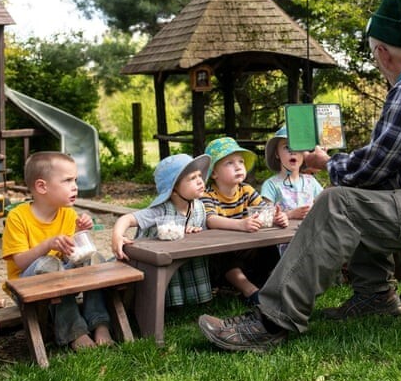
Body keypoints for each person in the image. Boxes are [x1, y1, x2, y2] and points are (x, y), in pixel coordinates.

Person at [197, 0, 401, 352]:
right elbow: (382, 168)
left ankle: (270, 320)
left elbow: (372, 167)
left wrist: (326, 163)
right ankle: (374, 297)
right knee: (361, 194)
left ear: (381, 52)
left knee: (337, 202)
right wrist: (344, 167)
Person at [2, 152, 113, 351]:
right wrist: (47, 245)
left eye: (75, 180)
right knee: (47, 264)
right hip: (25, 283)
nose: (75, 186)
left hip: (61, 276)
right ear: (42, 186)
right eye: (67, 180)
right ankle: (75, 332)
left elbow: (67, 256)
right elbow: (19, 263)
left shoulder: (68, 214)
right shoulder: (17, 217)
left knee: (94, 257)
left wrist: (80, 235)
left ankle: (99, 323)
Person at [111, 153, 213, 308]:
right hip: (150, 261)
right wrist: (117, 236)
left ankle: (192, 301)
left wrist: (192, 231)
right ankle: (166, 303)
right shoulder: (160, 210)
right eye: (192, 178)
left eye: (199, 175)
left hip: (182, 257)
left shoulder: (199, 206)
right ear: (173, 190)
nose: (200, 181)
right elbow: (126, 219)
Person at [201, 137, 288, 305]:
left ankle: (264, 285)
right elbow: (211, 220)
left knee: (268, 248)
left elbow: (264, 210)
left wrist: (278, 217)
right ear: (213, 173)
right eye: (229, 163)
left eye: (241, 161)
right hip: (220, 251)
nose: (238, 166)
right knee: (224, 257)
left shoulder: (246, 190)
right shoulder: (209, 194)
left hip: (245, 250)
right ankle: (250, 291)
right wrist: (240, 224)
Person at [261, 126, 324, 255]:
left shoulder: (310, 182)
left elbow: (325, 204)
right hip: (287, 245)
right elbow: (264, 218)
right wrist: (290, 215)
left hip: (313, 239)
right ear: (277, 154)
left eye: (298, 147)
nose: (293, 152)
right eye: (286, 147)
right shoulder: (271, 185)